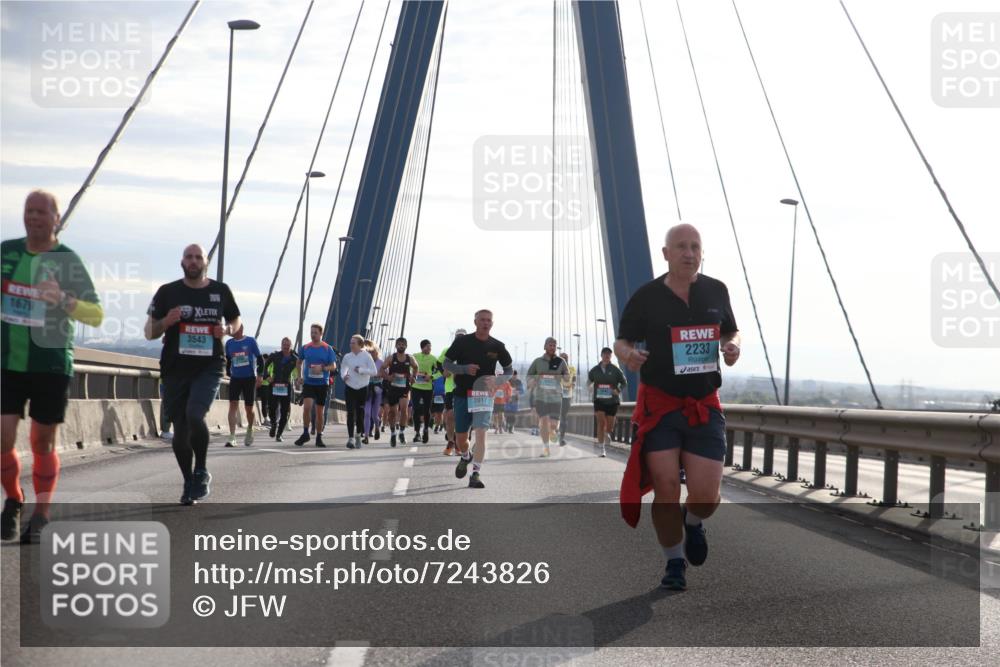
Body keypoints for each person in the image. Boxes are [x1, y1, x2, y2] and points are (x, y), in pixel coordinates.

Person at [616, 223, 741, 592]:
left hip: (703, 404)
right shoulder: (646, 297)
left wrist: (732, 346)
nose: (689, 253)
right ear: (666, 253)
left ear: (702, 252)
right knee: (666, 487)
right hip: (661, 405)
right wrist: (628, 355)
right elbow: (622, 341)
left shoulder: (716, 290)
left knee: (706, 496)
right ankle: (674, 561)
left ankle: (693, 521)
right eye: (681, 247)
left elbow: (730, 330)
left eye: (695, 247)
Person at [1, 190, 103, 542]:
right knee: (2, 437)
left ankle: (42, 514)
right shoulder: (7, 251)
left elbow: (96, 314)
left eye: (41, 212)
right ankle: (14, 499)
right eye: (28, 210)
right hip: (7, 361)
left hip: (51, 363)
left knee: (42, 442)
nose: (33, 217)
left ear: (56, 219)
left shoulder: (68, 261)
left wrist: (62, 299)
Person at [145, 243, 240, 506]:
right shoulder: (167, 292)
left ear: (206, 262)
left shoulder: (220, 291)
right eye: (189, 257)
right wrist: (166, 321)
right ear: (182, 261)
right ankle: (188, 481)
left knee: (195, 414)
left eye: (198, 257)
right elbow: (149, 332)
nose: (194, 261)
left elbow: (236, 320)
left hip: (209, 366)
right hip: (175, 368)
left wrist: (227, 330)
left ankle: (201, 470)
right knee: (180, 430)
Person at [442, 310, 513, 489]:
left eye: (488, 320)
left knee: (481, 434)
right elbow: (446, 364)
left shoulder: (497, 346)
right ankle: (466, 456)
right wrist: (464, 369)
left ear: (492, 324)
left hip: (483, 395)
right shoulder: (462, 342)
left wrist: (498, 380)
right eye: (482, 320)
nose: (485, 323)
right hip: (462, 393)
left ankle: (475, 474)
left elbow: (509, 370)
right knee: (461, 439)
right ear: (475, 322)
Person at [294, 323, 336, 447]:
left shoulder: (327, 348)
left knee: (319, 411)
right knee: (307, 407)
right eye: (311, 332)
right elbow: (298, 362)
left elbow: (333, 366)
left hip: (322, 384)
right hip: (309, 383)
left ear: (321, 334)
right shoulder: (305, 348)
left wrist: (322, 368)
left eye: (315, 333)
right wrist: (299, 377)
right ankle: (305, 433)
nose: (313, 335)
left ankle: (319, 437)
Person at [526, 338, 568, 458]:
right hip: (541, 397)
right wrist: (531, 381)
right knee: (544, 421)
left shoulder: (561, 361)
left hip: (556, 397)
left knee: (553, 425)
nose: (552, 347)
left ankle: (553, 431)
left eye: (554, 345)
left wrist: (565, 376)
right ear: (545, 346)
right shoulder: (537, 361)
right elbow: (529, 375)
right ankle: (546, 448)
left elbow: (567, 375)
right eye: (550, 345)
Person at [224, 324, 263, 447]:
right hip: (235, 378)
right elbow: (228, 359)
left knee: (249, 408)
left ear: (241, 329)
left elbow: (260, 359)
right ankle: (232, 436)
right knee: (233, 405)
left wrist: (260, 376)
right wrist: (228, 372)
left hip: (249, 378)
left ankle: (250, 428)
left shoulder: (251, 341)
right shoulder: (229, 343)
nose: (231, 330)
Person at [588, 347, 627, 457]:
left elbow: (624, 382)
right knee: (601, 423)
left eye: (609, 354)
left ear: (611, 356)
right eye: (605, 354)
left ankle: (607, 433)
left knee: (609, 427)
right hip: (599, 400)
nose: (607, 356)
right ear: (601, 355)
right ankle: (602, 449)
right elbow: (589, 381)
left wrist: (617, 390)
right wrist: (589, 386)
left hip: (612, 401)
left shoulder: (615, 369)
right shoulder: (595, 370)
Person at [341, 334, 377, 449]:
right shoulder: (347, 356)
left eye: (353, 343)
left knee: (360, 414)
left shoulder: (367, 356)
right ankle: (351, 438)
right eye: (350, 343)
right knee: (350, 413)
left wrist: (361, 370)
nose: (351, 345)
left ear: (360, 345)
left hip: (362, 388)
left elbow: (374, 371)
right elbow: (343, 368)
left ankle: (358, 435)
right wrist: (344, 376)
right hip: (350, 387)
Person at [380, 337, 417, 447]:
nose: (401, 346)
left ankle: (401, 432)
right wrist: (388, 377)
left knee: (404, 409)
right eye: (399, 344)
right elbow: (381, 369)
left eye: (403, 344)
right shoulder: (391, 358)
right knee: (392, 412)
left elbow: (416, 367)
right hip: (393, 388)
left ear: (406, 346)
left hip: (404, 388)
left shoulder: (410, 358)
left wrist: (414, 377)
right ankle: (393, 433)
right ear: (396, 346)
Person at [437, 328, 465, 455]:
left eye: (462, 337)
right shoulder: (447, 350)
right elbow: (438, 363)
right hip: (450, 388)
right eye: (458, 336)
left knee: (463, 417)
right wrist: (443, 372)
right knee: (450, 416)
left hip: (465, 387)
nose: (460, 339)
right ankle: (451, 442)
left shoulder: (469, 351)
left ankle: (460, 442)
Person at [265, 338, 297, 441]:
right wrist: (267, 376)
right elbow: (264, 366)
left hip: (286, 387)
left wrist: (299, 379)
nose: (286, 347)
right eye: (284, 344)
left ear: (291, 346)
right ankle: (274, 424)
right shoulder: (275, 356)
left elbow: (300, 368)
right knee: (272, 408)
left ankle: (279, 434)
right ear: (281, 345)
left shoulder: (294, 358)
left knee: (285, 412)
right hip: (274, 385)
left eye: (288, 345)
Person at [410, 339, 438, 443]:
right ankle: (417, 432)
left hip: (428, 388)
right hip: (416, 387)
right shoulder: (415, 356)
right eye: (428, 347)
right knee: (416, 409)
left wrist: (431, 376)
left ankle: (426, 429)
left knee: (426, 410)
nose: (430, 349)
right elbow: (408, 367)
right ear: (422, 347)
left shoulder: (433, 358)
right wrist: (411, 375)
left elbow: (440, 371)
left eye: (430, 347)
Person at [363, 340, 383, 444]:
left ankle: (377, 427)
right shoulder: (365, 362)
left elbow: (385, 374)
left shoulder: (381, 363)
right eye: (369, 352)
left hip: (377, 389)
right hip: (367, 388)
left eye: (373, 352)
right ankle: (366, 436)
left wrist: (378, 374)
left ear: (377, 352)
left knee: (374, 415)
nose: (371, 354)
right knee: (367, 413)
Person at [558, 352, 576, 446]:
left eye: (565, 358)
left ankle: (562, 438)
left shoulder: (572, 369)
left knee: (564, 417)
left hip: (567, 396)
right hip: (556, 396)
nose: (564, 360)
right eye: (562, 358)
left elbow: (574, 380)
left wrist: (573, 384)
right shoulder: (555, 369)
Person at [431, 369, 446, 434]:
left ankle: (437, 427)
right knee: (434, 413)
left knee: (439, 413)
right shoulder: (433, 372)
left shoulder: (445, 373)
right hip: (434, 395)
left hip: (442, 395)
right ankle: (441, 424)